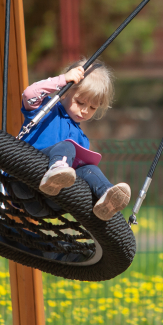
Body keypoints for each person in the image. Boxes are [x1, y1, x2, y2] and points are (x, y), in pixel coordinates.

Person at [18, 59, 130, 221]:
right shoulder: (46, 110)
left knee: (90, 169)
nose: (85, 110)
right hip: (25, 183)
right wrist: (63, 80)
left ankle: (106, 197)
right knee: (67, 147)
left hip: (50, 200)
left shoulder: (82, 139)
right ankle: (56, 169)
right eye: (80, 102)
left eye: (92, 107)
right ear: (65, 92)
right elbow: (29, 94)